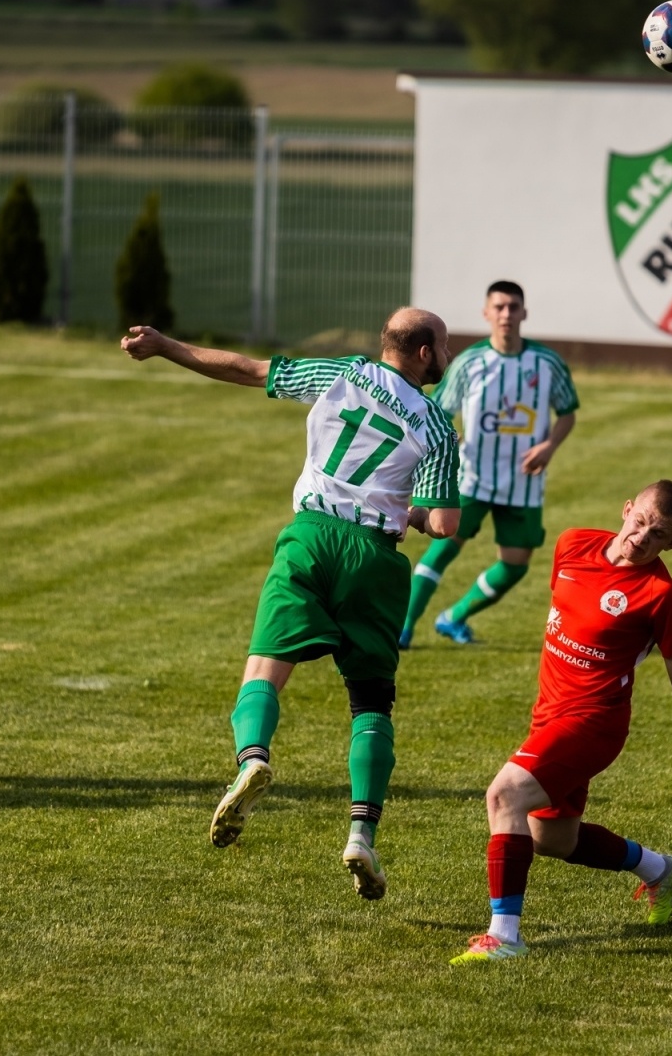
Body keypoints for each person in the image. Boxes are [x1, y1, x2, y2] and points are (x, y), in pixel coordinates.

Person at [120, 309, 461, 900]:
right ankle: (362, 835)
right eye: (447, 346)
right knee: (371, 703)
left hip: (309, 536)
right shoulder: (436, 425)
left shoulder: (342, 372)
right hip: (375, 558)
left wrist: (164, 345)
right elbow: (446, 524)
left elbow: (248, 369)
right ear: (426, 354)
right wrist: (411, 511)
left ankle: (252, 758)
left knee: (265, 669)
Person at [450, 480, 672, 964]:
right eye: (640, 522)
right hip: (548, 714)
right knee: (551, 839)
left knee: (504, 795)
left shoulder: (662, 595)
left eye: (658, 535)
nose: (642, 537)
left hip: (594, 723)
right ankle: (662, 871)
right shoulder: (572, 544)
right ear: (626, 510)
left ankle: (504, 937)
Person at [399, 280, 579, 649]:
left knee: (515, 564)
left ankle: (453, 617)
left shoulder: (547, 363)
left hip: (524, 483)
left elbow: (567, 413)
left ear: (524, 313)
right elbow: (439, 413)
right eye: (498, 307)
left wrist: (550, 444)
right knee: (443, 545)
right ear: (486, 313)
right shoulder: (468, 362)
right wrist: (448, 443)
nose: (506, 314)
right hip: (472, 478)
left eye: (513, 307)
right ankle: (403, 627)